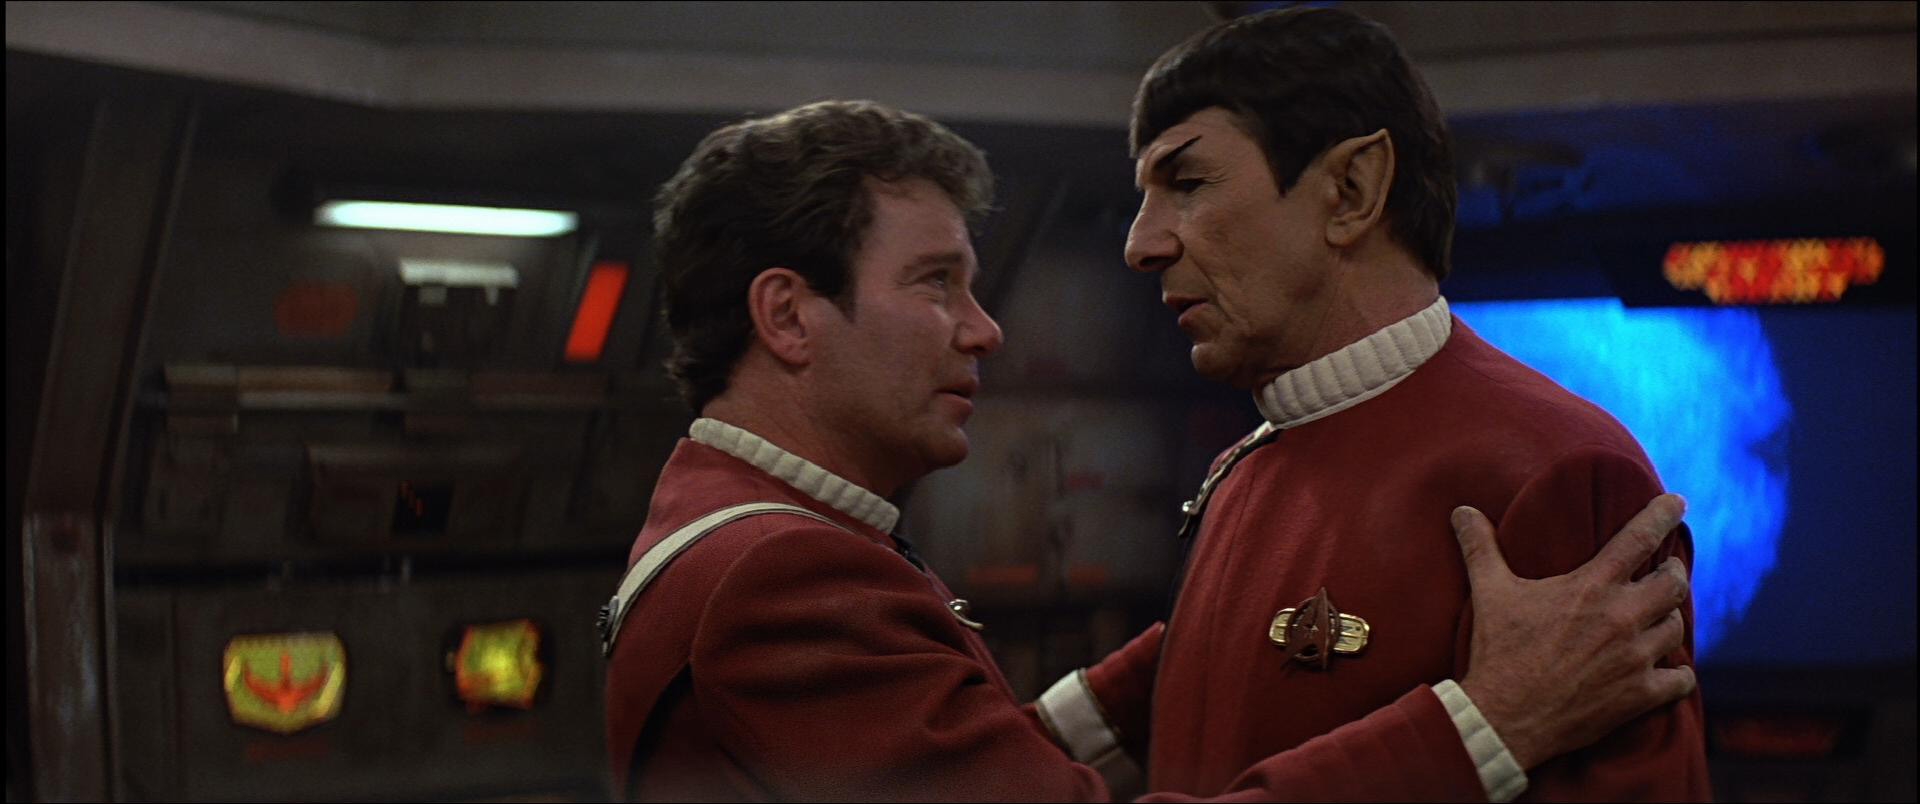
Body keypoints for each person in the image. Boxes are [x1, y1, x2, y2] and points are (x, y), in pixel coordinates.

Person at [600, 98, 1696, 802]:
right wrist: (1489, 724)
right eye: (936, 284)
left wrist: (1230, 627)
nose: (983, 331)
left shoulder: (725, 524)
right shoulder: (784, 581)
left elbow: (960, 764)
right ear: (787, 316)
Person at [1120, 7, 1710, 801]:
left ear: (1351, 190)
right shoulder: (1240, 472)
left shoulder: (1560, 471)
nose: (1141, 243)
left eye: (1188, 184)